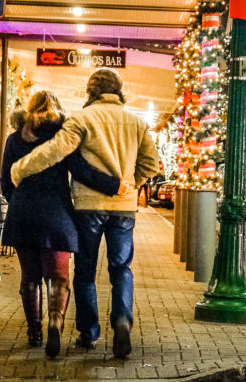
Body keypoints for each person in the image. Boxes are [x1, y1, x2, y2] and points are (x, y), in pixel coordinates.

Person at [11, 68, 160, 359]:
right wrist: (130, 185)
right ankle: (121, 320)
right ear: (119, 91)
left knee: (86, 273)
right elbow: (151, 164)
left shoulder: (81, 119)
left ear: (91, 91)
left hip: (88, 207)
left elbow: (55, 151)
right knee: (121, 268)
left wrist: (21, 168)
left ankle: (89, 334)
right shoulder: (136, 122)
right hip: (124, 209)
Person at [0, 91, 124, 358]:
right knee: (58, 278)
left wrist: (20, 203)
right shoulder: (60, 139)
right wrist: (113, 185)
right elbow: (82, 171)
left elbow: (5, 183)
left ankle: (34, 332)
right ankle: (55, 321)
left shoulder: (14, 139)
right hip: (56, 218)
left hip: (23, 217)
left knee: (30, 278)